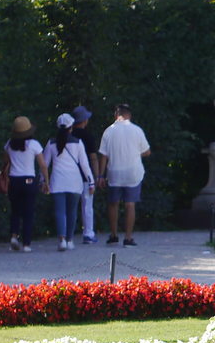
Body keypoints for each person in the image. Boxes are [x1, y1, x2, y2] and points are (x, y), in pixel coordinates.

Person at [98, 103, 149, 246]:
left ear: (116, 115)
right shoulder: (137, 130)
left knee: (113, 204)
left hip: (114, 172)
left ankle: (114, 235)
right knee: (130, 204)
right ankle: (128, 237)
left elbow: (103, 156)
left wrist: (100, 176)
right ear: (129, 115)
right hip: (133, 172)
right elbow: (147, 151)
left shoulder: (109, 131)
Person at [45, 113, 95, 251]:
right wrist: (91, 182)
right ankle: (70, 239)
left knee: (60, 211)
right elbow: (85, 165)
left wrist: (43, 181)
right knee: (72, 211)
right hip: (74, 181)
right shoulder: (78, 143)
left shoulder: (51, 143)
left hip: (57, 181)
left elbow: (45, 164)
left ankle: (61, 239)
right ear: (71, 127)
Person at [1, 116, 48, 252]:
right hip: (29, 180)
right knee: (28, 212)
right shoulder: (34, 144)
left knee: (15, 210)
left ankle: (14, 237)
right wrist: (46, 181)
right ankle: (26, 243)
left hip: (13, 180)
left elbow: (5, 161)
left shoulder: (9, 144)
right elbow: (43, 165)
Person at [70, 104, 102, 244]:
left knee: (69, 206)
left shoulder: (68, 135)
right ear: (84, 121)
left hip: (70, 175)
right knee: (87, 205)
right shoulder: (88, 136)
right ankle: (88, 233)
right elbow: (93, 158)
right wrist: (97, 175)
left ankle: (67, 234)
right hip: (85, 175)